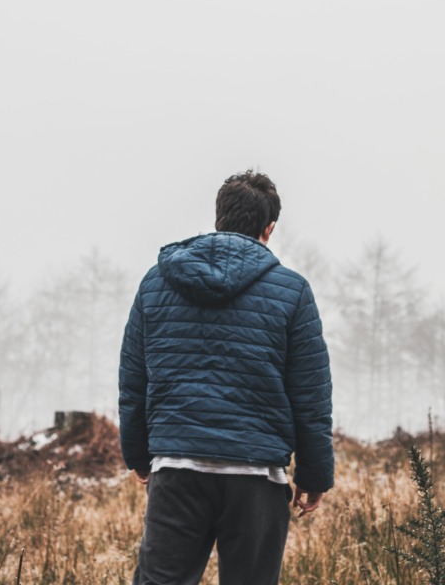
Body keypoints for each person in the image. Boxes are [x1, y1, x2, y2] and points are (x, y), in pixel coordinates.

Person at [118, 169, 334, 585]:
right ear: (268, 229)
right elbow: (310, 396)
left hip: (177, 468)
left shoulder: (156, 283)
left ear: (219, 218)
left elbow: (134, 381)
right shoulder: (293, 292)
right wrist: (314, 476)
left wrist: (139, 455)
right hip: (256, 477)